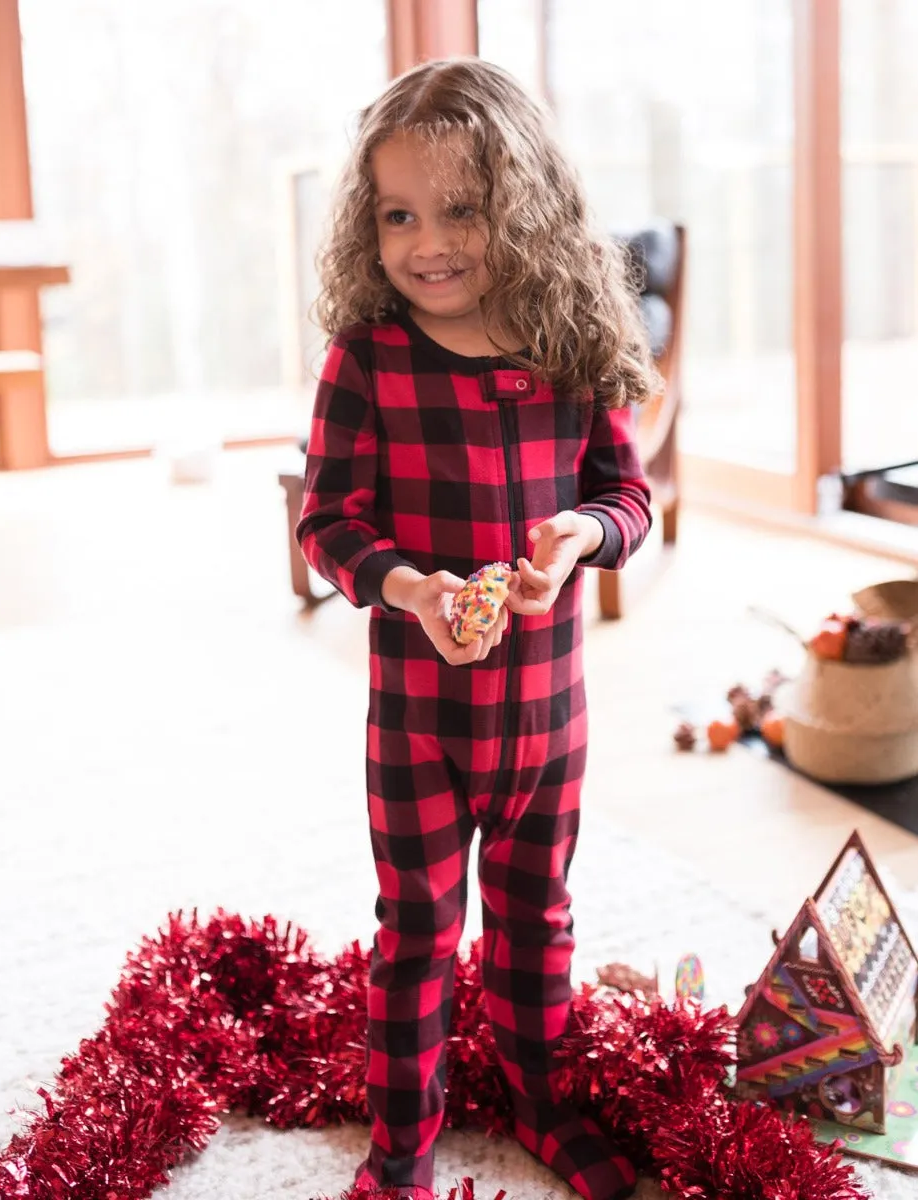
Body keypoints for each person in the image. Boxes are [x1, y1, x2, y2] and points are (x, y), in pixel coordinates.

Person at [297, 57, 655, 1200]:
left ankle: (541, 1103)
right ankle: (401, 1144)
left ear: (525, 210)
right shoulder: (368, 358)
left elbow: (627, 497)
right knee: (412, 929)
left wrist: (580, 539)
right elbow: (326, 521)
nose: (427, 242)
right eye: (398, 214)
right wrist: (408, 590)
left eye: (460, 210)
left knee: (535, 916)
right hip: (417, 718)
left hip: (547, 717)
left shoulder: (573, 346)